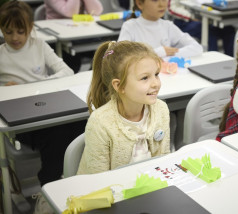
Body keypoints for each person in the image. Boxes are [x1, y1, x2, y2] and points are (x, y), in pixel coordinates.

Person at [0, 1, 86, 213]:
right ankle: (48, 187)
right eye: (8, 31)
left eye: (21, 31)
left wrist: (32, 84)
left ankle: (73, 180)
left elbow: (66, 72)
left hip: (46, 109)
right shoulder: (1, 53)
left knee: (79, 125)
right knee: (56, 135)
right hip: (22, 120)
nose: (14, 37)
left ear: (31, 28)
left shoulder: (39, 46)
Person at [77, 40, 171, 175]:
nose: (156, 83)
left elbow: (164, 159)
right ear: (119, 86)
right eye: (145, 78)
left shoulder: (161, 109)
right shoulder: (100, 122)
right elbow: (98, 180)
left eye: (156, 74)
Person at [117, 0, 203, 58]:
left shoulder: (168, 26)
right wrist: (159, 53)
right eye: (155, 0)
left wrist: (170, 56)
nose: (161, 4)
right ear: (139, 3)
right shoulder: (130, 27)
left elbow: (197, 47)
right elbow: (121, 57)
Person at [44, 0, 104, 73]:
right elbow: (71, 13)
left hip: (80, 32)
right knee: (73, 63)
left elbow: (97, 11)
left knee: (101, 51)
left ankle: (93, 77)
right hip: (57, 36)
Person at [168, 0, 236, 56]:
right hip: (185, 22)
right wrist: (191, 16)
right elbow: (171, 8)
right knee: (209, 33)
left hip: (207, 18)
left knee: (229, 30)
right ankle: (212, 61)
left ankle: (230, 59)